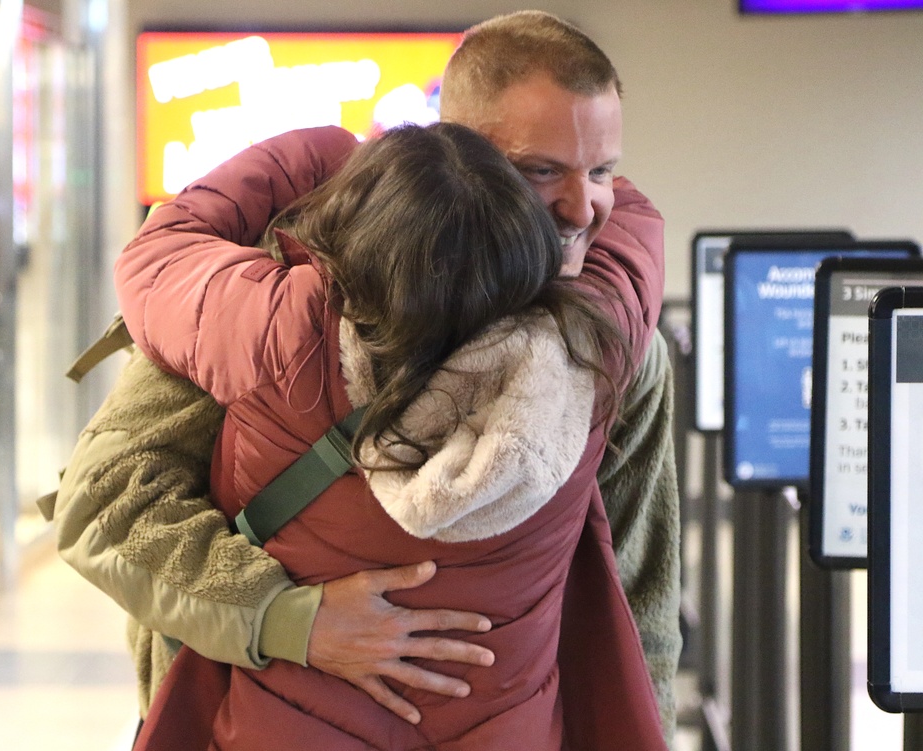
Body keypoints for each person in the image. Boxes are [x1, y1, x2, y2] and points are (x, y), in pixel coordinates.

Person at [46, 9, 681, 747]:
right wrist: (286, 617)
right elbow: (107, 501)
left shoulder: (613, 351)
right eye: (540, 172)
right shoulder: (273, 299)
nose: (584, 208)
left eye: (603, 171)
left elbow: (637, 597)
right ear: (456, 157)